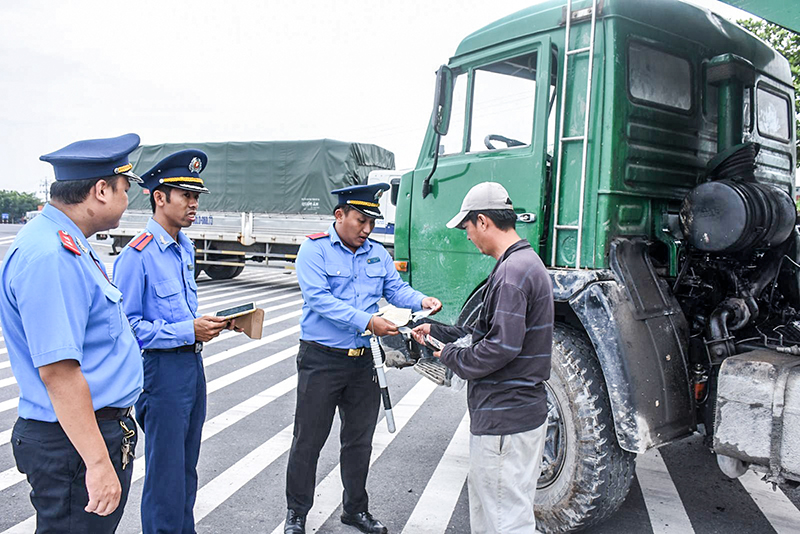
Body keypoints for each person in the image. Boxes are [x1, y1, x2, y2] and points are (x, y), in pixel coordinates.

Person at [0, 134, 145, 532]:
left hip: (84, 436)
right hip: (74, 444)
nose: (127, 199)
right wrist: (98, 463)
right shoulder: (52, 255)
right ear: (100, 190)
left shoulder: (70, 244)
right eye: (124, 189)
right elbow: (59, 373)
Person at [284, 183, 442, 534]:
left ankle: (355, 510)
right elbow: (319, 300)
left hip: (364, 361)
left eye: (372, 221)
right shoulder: (315, 251)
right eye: (361, 220)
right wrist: (368, 321)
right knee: (308, 439)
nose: (367, 229)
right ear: (339, 215)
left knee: (358, 441)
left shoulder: (376, 253)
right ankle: (296, 513)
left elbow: (395, 289)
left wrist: (421, 301)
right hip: (322, 359)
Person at [411, 182, 554, 534]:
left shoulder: (511, 274)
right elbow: (486, 333)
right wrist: (436, 331)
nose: (468, 237)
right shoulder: (522, 263)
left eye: (467, 228)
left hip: (506, 420)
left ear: (484, 221)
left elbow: (499, 348)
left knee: (506, 522)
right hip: (516, 415)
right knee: (497, 515)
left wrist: (448, 354)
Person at [113, 149, 232, 533]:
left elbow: (181, 314)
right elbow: (128, 328)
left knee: (185, 470)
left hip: (190, 367)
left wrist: (206, 327)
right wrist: (186, 331)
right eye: (186, 195)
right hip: (160, 373)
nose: (194, 204)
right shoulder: (137, 256)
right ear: (159, 198)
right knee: (165, 476)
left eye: (196, 196)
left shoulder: (185, 248)